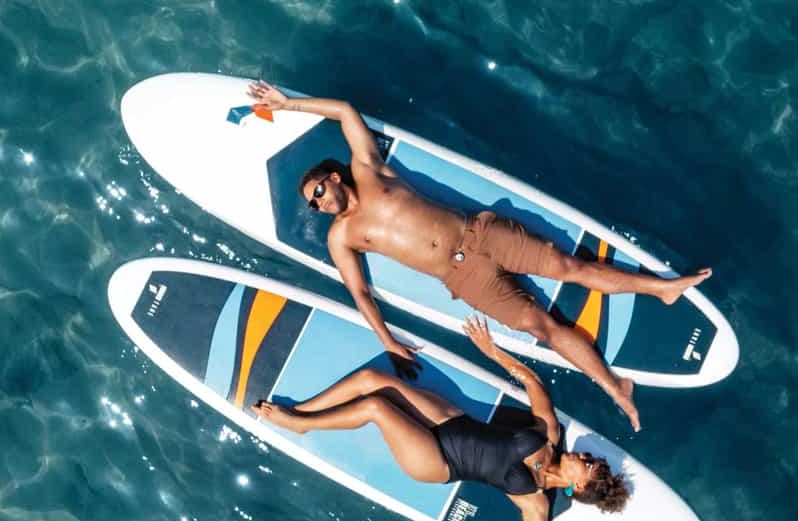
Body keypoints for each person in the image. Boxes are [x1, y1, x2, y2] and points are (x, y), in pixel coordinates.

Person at [248, 78, 710, 430]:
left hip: (481, 234)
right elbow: (360, 293)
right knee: (543, 330)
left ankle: (663, 289)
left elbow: (345, 111)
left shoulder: (367, 169)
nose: (320, 202)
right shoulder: (341, 237)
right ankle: (615, 388)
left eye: (320, 190)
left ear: (335, 176)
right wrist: (386, 340)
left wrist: (287, 104)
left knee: (571, 268)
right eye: (313, 202)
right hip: (463, 280)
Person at [254, 317, 630, 521]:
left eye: (590, 465)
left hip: (438, 461)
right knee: (372, 379)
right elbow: (534, 383)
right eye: (593, 458)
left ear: (578, 487)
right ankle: (300, 409)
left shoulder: (534, 500)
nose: (587, 456)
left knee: (376, 406)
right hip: (451, 421)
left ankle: (299, 424)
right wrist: (492, 351)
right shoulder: (548, 434)